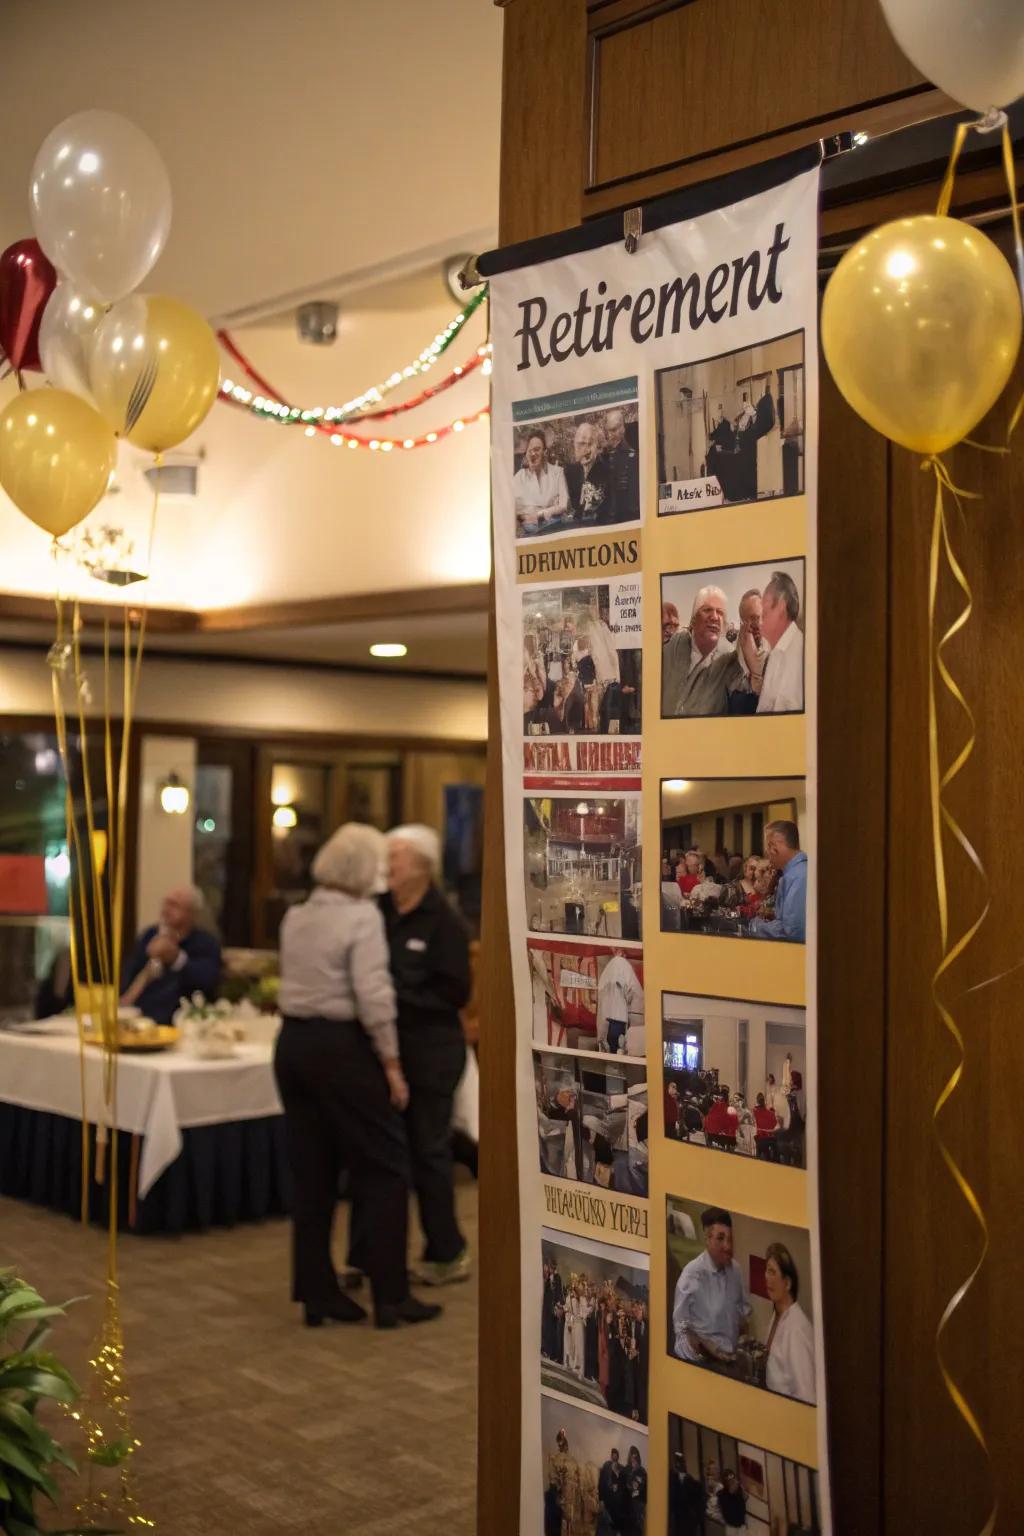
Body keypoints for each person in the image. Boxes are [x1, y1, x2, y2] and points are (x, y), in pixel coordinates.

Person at [274, 824, 439, 1330]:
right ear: (363, 869)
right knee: (387, 1166)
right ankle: (391, 1297)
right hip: (341, 1049)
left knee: (313, 1174)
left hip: (292, 1046)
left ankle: (316, 1292)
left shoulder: (296, 915)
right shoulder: (363, 917)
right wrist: (392, 1065)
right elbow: (374, 996)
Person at [378, 824, 473, 1284]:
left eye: (394, 857)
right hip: (388, 1054)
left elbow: (456, 992)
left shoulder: (444, 922)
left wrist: (394, 995)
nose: (387, 867)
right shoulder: (380, 912)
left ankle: (447, 1252)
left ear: (420, 865)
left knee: (429, 1152)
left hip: (433, 1053)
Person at [120, 885, 222, 1024]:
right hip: (141, 1019)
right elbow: (128, 980)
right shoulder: (149, 936)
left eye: (174, 905)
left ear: (191, 913)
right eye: (165, 903)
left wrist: (176, 959)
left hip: (183, 1022)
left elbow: (208, 981)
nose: (166, 909)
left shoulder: (206, 944)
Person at [672, 1206, 752, 1366]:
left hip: (732, 1362)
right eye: (720, 1238)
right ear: (707, 1239)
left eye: (730, 1239)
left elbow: (744, 1313)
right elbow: (680, 1336)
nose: (727, 1246)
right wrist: (703, 1346)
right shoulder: (691, 1277)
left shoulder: (736, 1270)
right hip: (704, 1364)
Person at [661, 586, 744, 717]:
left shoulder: (730, 659)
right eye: (707, 610)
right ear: (693, 619)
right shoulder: (675, 645)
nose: (715, 617)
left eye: (720, 612)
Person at [763, 1241, 817, 1403]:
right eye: (766, 1271)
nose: (767, 1277)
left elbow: (807, 1395)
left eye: (772, 1272)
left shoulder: (797, 1329)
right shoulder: (776, 1316)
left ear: (787, 1283)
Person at [745, 570, 804, 713]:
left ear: (781, 607)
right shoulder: (776, 653)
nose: (759, 621)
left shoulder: (800, 654)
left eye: (763, 610)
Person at [750, 821, 807, 943]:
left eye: (768, 847)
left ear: (774, 847)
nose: (767, 853)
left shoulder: (798, 876)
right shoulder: (792, 874)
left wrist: (757, 926)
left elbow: (793, 931)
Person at [514, 429, 569, 534]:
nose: (533, 453)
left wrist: (540, 514)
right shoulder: (518, 478)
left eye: (537, 449)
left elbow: (563, 505)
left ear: (545, 452)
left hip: (555, 528)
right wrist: (553, 508)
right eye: (529, 451)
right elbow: (516, 513)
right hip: (529, 532)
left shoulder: (557, 472)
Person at [566, 420, 617, 525]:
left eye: (590, 444)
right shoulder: (568, 471)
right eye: (582, 444)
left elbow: (611, 510)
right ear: (575, 446)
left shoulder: (607, 471)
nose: (587, 450)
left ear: (596, 445)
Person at [596, 948, 644, 1054]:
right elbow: (634, 992)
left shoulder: (608, 969)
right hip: (620, 1019)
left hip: (606, 1019)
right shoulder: (624, 966)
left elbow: (600, 992)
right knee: (619, 1051)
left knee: (609, 1051)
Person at [728, 589, 768, 715]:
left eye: (756, 618)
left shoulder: (777, 651)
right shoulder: (733, 654)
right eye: (746, 620)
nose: (752, 625)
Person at [604, 407, 639, 519]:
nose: (610, 435)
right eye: (608, 431)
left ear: (622, 428)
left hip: (628, 512)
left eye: (614, 430)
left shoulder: (632, 455)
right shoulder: (605, 454)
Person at [668, 1450, 705, 1536]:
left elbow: (696, 1501)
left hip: (687, 1518)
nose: (679, 1464)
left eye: (681, 1461)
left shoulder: (691, 1481)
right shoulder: (671, 1476)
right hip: (676, 1516)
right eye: (677, 1462)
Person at [524, 630, 548, 731]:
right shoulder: (529, 662)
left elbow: (542, 687)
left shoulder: (536, 661)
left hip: (533, 702)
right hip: (529, 701)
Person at [623, 1445, 647, 1534]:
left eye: (635, 1456)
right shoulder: (626, 1469)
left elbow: (640, 1487)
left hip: (638, 1504)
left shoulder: (642, 1470)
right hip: (628, 1504)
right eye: (632, 1455)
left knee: (638, 1529)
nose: (633, 1458)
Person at [717, 1468, 749, 1532]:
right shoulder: (722, 1494)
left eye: (733, 1480)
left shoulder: (739, 1491)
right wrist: (731, 1493)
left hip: (741, 1526)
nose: (732, 1482)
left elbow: (743, 1505)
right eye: (729, 1481)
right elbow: (726, 1510)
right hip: (730, 1526)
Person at [753, 1092, 779, 1160]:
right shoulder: (771, 1113)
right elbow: (774, 1124)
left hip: (760, 1139)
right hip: (769, 1139)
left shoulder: (755, 1112)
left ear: (757, 1101)